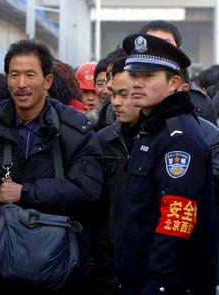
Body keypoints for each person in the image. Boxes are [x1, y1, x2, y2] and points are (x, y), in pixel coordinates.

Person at [0, 39, 103, 295]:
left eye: (30, 75)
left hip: (59, 268)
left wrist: (25, 192)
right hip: (0, 265)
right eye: (14, 75)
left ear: (47, 81)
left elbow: (88, 192)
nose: (21, 84)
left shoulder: (74, 130)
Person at [114, 33, 216, 295]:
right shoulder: (152, 128)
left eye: (149, 76)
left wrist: (157, 287)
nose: (138, 83)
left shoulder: (178, 138)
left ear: (174, 84)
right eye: (135, 75)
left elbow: (176, 224)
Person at [91, 57, 141, 295]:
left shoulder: (166, 141)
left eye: (125, 94)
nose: (116, 103)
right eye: (112, 95)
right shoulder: (102, 140)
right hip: (107, 266)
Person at [139, 20, 218, 125]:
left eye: (166, 45)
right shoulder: (130, 96)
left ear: (179, 52)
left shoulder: (200, 102)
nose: (159, 51)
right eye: (152, 45)